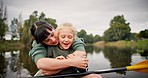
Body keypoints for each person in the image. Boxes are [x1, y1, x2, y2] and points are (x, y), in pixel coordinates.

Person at [29, 21, 102, 78]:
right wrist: (72, 62)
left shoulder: (69, 36)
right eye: (47, 40)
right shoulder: (38, 44)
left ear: (53, 28)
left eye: (52, 34)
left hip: (72, 74)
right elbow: (42, 64)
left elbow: (81, 55)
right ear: (41, 42)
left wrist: (54, 66)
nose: (53, 40)